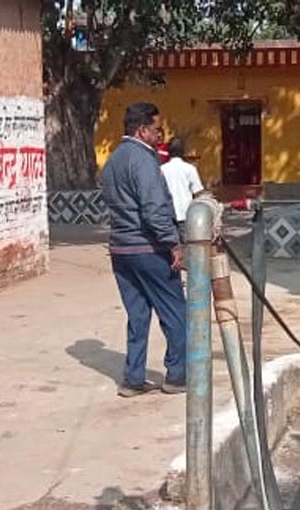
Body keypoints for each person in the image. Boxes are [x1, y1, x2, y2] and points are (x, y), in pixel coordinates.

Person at [100, 102, 186, 398]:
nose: (160, 135)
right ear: (142, 130)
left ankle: (133, 378)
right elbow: (153, 208)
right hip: (149, 247)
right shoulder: (144, 160)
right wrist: (172, 243)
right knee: (175, 312)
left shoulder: (113, 160)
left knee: (137, 315)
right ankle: (177, 375)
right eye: (156, 129)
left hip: (121, 249)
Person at [160, 138, 205, 232]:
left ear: (168, 152)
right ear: (182, 152)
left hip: (168, 216)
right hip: (186, 214)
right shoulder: (190, 168)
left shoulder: (162, 169)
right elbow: (198, 192)